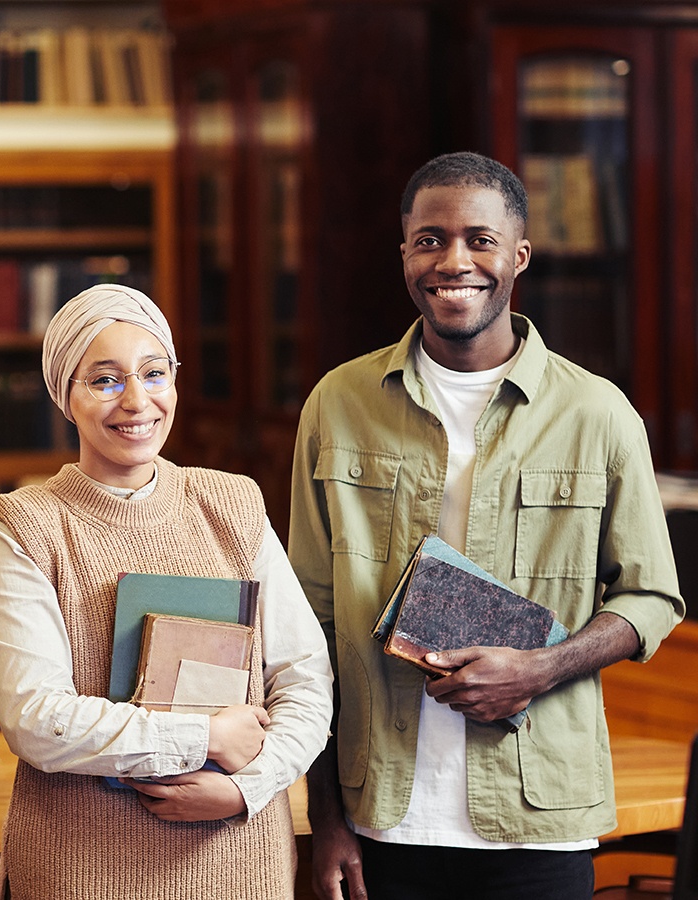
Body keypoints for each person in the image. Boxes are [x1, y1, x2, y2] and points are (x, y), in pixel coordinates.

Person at [289, 151, 686, 900]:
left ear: (518, 255)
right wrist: (327, 816)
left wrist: (542, 667)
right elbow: (308, 622)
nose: (454, 261)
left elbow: (651, 600)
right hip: (381, 816)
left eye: (480, 239)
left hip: (539, 818)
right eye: (430, 239)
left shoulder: (598, 413)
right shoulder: (337, 404)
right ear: (405, 254)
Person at [0, 284, 333, 898]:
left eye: (153, 373)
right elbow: (36, 719)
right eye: (105, 380)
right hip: (82, 872)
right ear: (65, 396)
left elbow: (304, 675)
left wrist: (245, 787)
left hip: (241, 864)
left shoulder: (233, 503)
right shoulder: (27, 526)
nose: (137, 401)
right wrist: (203, 740)